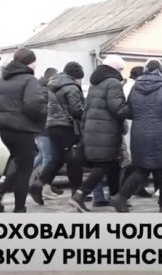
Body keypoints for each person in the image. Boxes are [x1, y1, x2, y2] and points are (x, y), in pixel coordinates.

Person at [111, 59, 162, 213]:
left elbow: (129, 111)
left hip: (139, 133)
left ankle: (121, 197)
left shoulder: (136, 87)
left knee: (141, 169)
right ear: (161, 71)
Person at [0, 48, 47, 213]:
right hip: (23, 130)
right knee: (24, 171)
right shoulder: (29, 80)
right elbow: (34, 105)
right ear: (28, 62)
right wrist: (43, 113)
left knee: (17, 163)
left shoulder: (1, 81)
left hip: (5, 130)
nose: (35, 64)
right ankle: (17, 208)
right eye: (34, 61)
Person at [69, 55, 128, 212]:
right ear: (115, 69)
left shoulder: (95, 83)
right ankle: (80, 194)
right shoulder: (113, 83)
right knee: (103, 164)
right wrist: (132, 109)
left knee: (113, 164)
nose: (122, 73)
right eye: (121, 69)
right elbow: (117, 108)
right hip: (106, 130)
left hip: (93, 129)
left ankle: (116, 198)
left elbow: (86, 109)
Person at [30, 62, 86, 205]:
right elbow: (76, 110)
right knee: (73, 160)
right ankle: (76, 193)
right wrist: (85, 113)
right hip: (66, 127)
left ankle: (38, 184)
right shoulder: (71, 87)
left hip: (51, 126)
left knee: (57, 159)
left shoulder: (51, 84)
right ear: (76, 76)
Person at [32, 67, 59, 194]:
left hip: (39, 128)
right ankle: (42, 185)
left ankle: (21, 176)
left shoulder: (39, 88)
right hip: (44, 128)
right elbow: (44, 110)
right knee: (48, 156)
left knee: (42, 156)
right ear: (51, 77)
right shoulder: (46, 91)